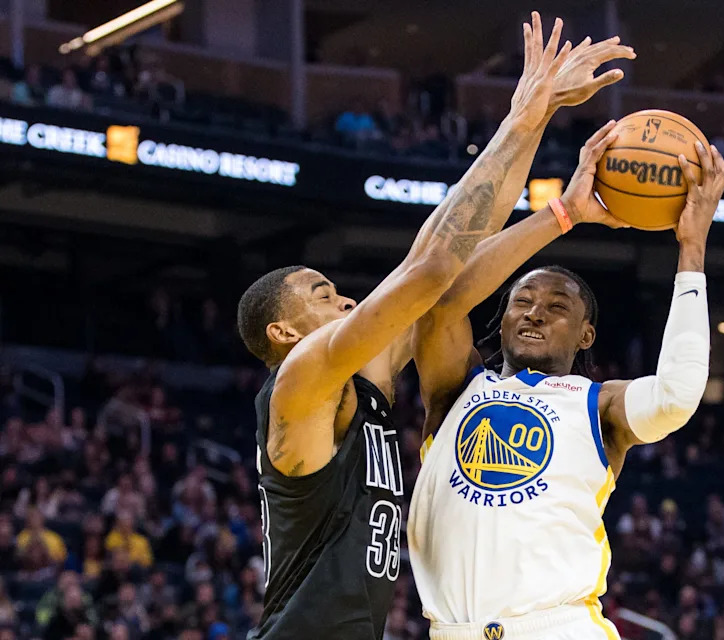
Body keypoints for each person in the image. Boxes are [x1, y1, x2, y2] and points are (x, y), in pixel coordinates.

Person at [236, 13, 633, 640]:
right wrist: (526, 115)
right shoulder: (302, 380)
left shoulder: (357, 376)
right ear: (285, 333)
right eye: (324, 294)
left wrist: (561, 213)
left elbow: (445, 294)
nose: (345, 302)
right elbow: (430, 266)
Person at [407, 131, 724, 637]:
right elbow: (441, 299)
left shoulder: (598, 404)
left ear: (586, 335)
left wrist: (692, 248)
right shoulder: (455, 389)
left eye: (557, 307)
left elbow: (675, 395)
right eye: (522, 301)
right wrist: (563, 214)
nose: (535, 312)